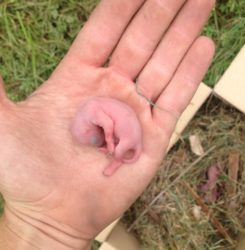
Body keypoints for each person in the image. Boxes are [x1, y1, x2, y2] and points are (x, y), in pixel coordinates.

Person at [0, 0, 215, 249]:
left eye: (96, 140)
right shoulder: (93, 121)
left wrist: (110, 141)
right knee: (122, 150)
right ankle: (120, 157)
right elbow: (107, 131)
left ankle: (120, 156)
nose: (99, 142)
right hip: (124, 130)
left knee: (122, 149)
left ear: (89, 128)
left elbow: (107, 129)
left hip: (125, 129)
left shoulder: (93, 115)